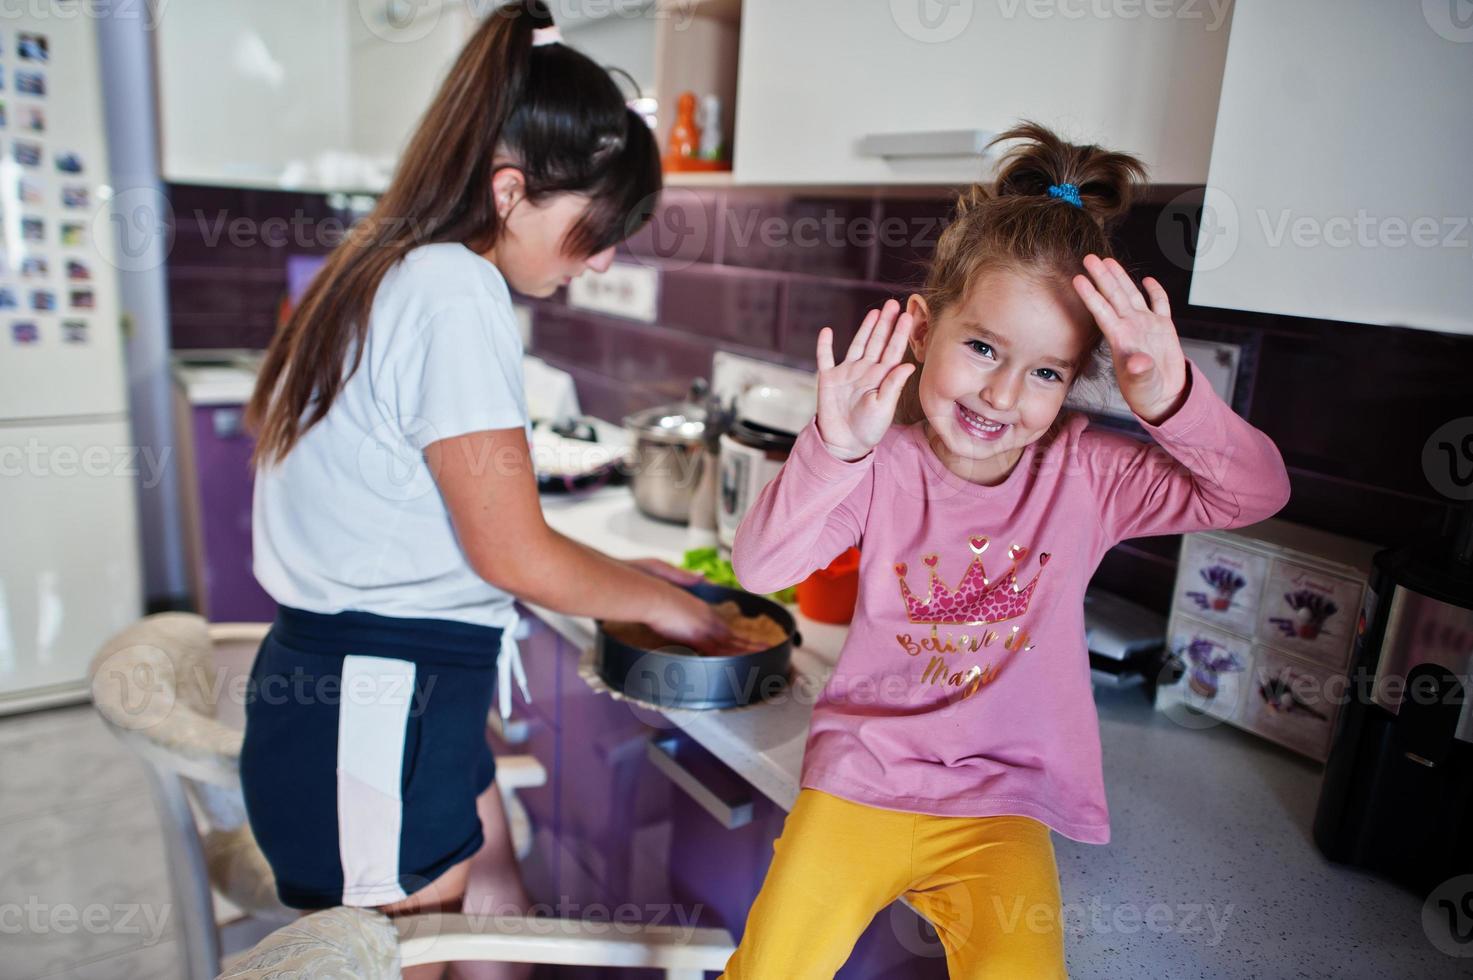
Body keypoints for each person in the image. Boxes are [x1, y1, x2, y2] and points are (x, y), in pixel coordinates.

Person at [721, 121, 1292, 978]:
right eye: (982, 347)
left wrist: (1170, 397)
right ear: (922, 331)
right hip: (861, 779)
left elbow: (1256, 491)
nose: (1000, 394)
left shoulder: (1088, 475)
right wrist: (832, 447)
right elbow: (760, 570)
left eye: (1045, 371)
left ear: (1076, 380)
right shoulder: (879, 468)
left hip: (1001, 802)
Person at [238, 4, 741, 977]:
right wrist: (676, 608)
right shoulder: (450, 288)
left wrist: (610, 572)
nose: (604, 258)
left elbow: (459, 518)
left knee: (495, 870)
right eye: (598, 228)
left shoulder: (383, 262)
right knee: (414, 953)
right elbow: (511, 551)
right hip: (374, 713)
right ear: (511, 192)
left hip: (378, 701)